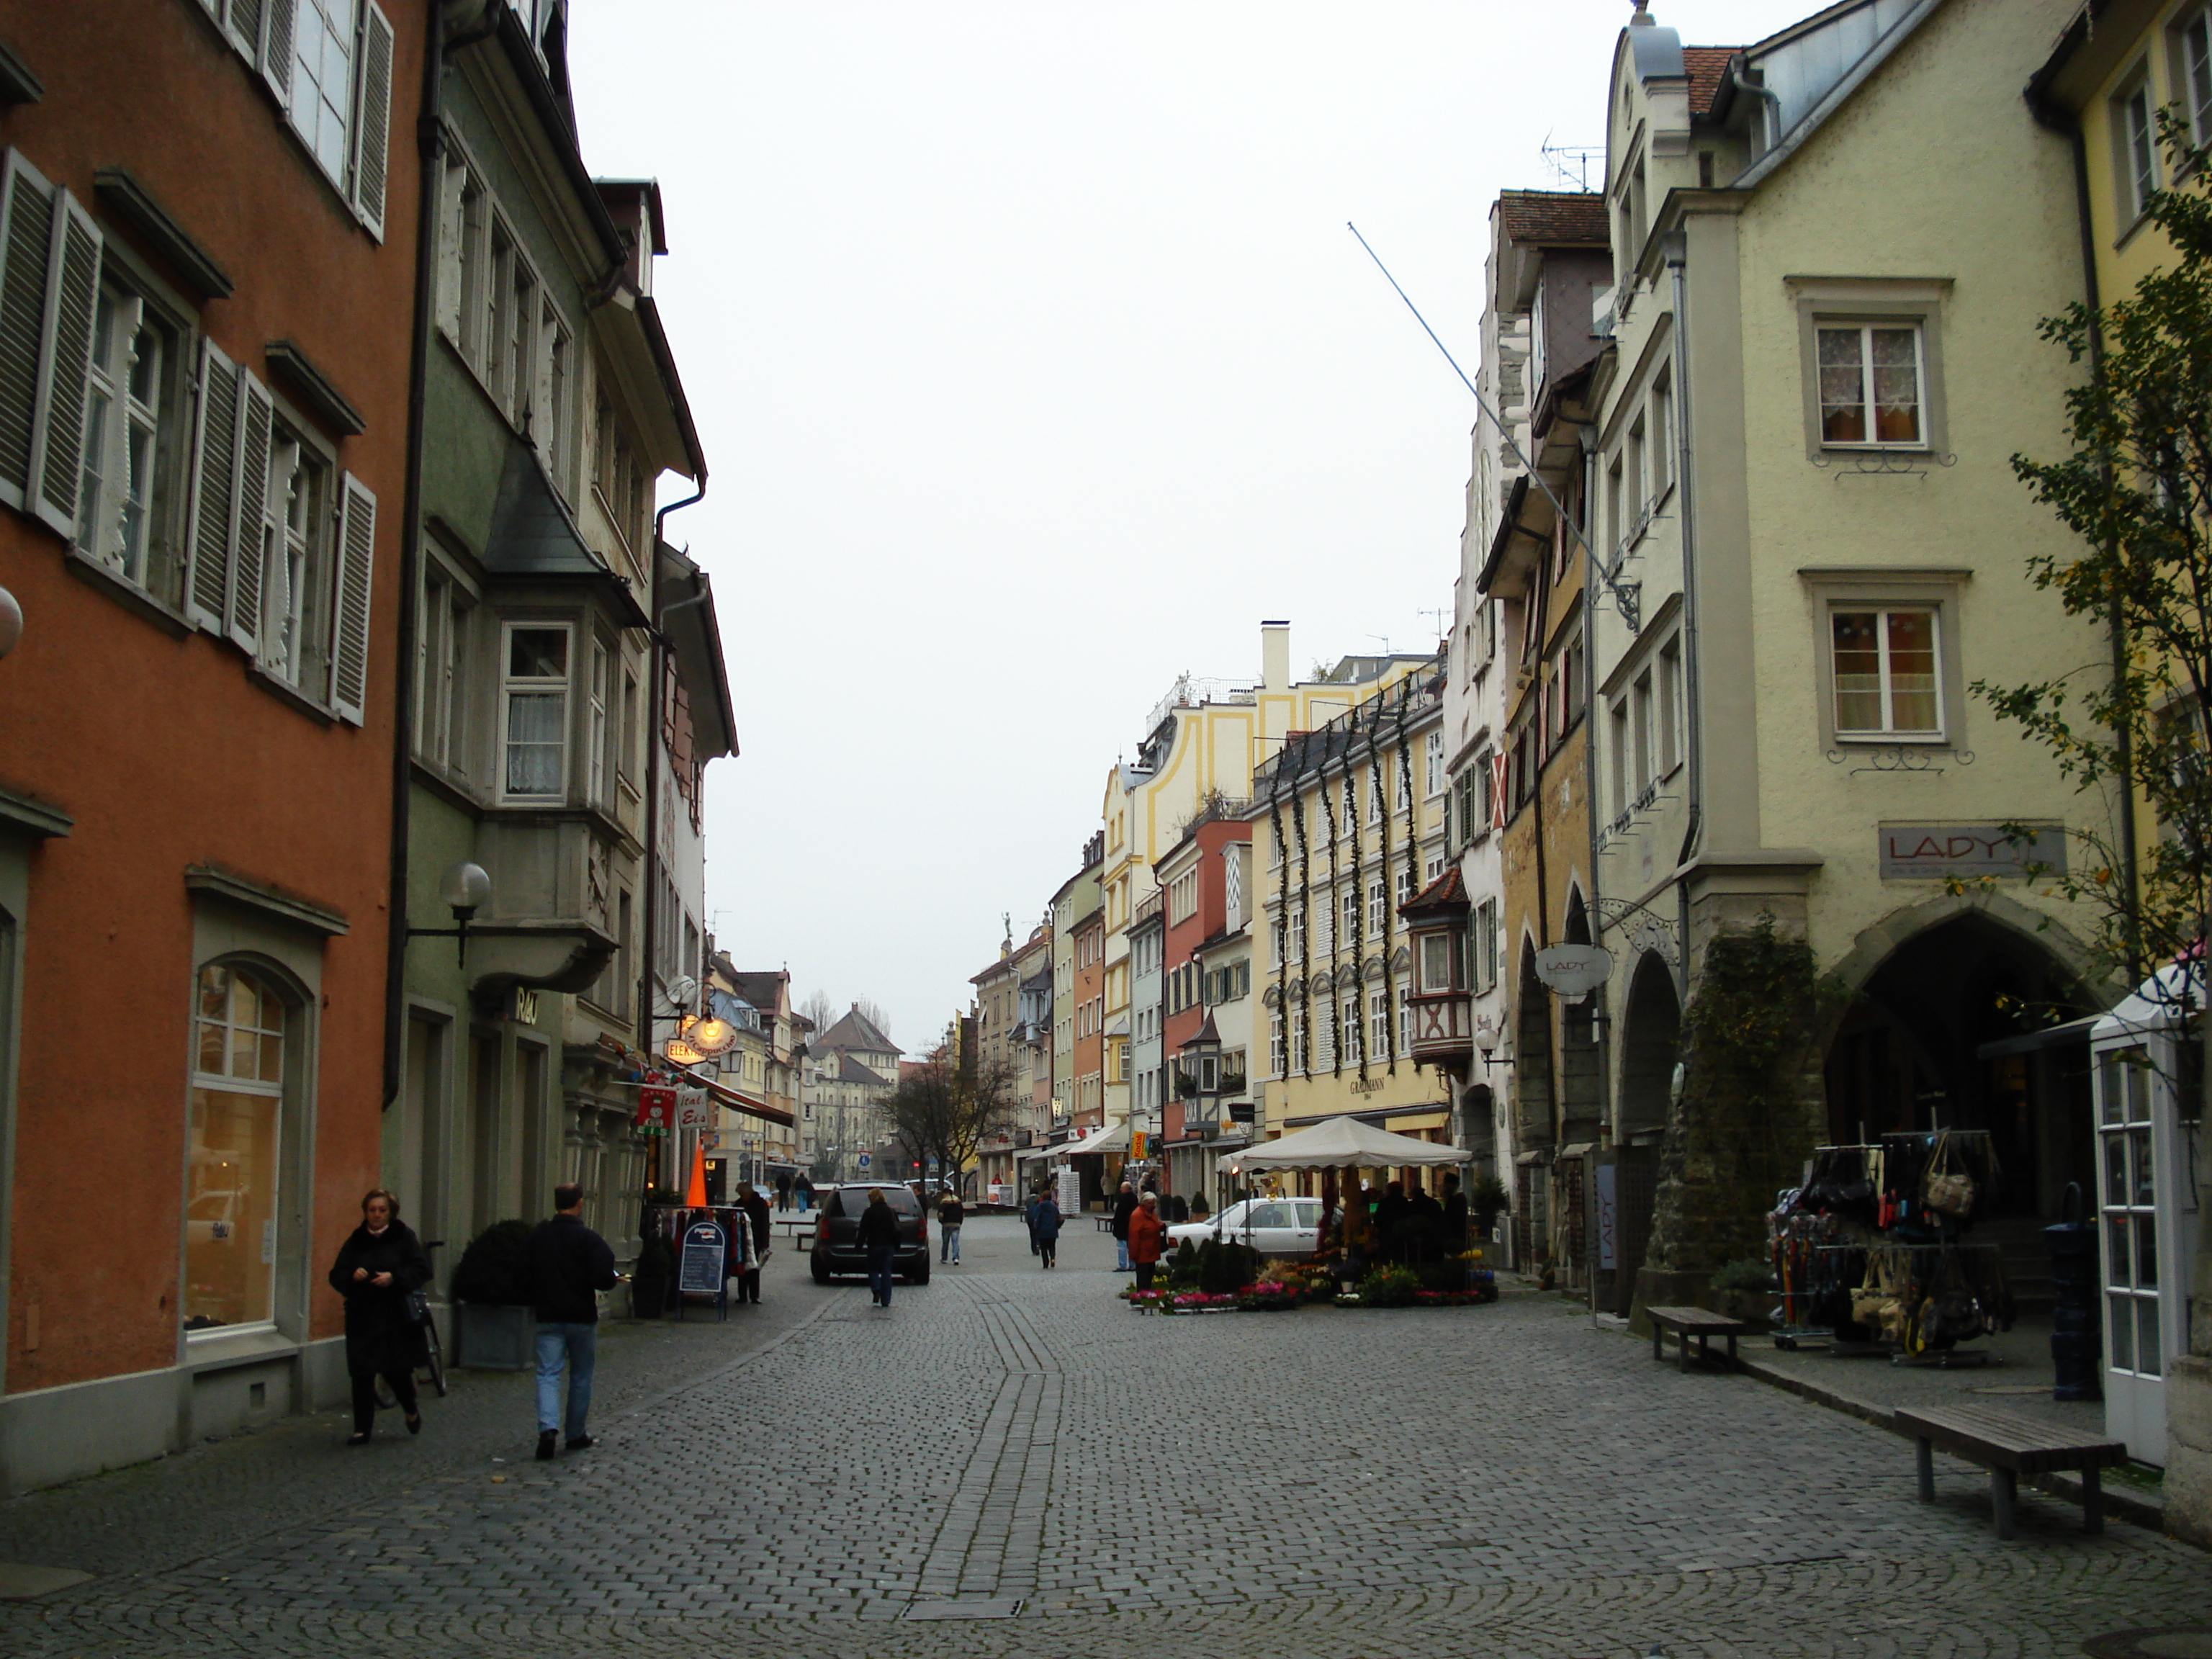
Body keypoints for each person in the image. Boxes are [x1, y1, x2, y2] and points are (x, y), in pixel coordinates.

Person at [328, 1188, 431, 1446]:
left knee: (396, 1372)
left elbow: (421, 1269)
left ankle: (410, 1408)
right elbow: (337, 1274)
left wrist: (394, 1278)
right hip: (363, 1315)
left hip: (395, 1317)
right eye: (372, 1210)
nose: (376, 1215)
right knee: (362, 1372)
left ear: (391, 1213)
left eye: (382, 1210)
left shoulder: (403, 1237)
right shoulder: (356, 1240)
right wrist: (353, 1276)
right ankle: (362, 1429)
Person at [528, 1183, 619, 1460]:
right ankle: (575, 1433)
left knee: (547, 1373)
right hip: (580, 1316)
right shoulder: (588, 1239)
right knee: (580, 1375)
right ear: (579, 1203)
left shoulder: (539, 1237)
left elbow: (522, 1271)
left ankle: (548, 1428)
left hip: (548, 1315)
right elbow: (605, 1277)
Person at [855, 1186, 901, 1307]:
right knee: (887, 1271)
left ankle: (876, 1289)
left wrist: (858, 1246)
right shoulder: (890, 1211)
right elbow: (896, 1229)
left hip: (874, 1245)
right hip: (889, 1245)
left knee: (873, 1269)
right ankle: (886, 1300)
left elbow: (863, 1231)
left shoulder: (869, 1212)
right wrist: (897, 1245)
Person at [1127, 1190, 1166, 1290]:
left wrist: (1160, 1226)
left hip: (1151, 1251)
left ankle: (1147, 1295)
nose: (1152, 1205)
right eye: (1150, 1203)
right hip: (1142, 1253)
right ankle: (1142, 1296)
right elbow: (1134, 1236)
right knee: (1143, 1277)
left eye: (1153, 1203)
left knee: (1149, 1276)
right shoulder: (1137, 1215)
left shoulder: (1151, 1213)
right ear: (1143, 1203)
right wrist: (1134, 1254)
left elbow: (1153, 1224)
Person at [739, 1184, 771, 1303]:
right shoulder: (740, 1203)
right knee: (742, 1268)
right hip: (743, 1239)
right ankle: (742, 1295)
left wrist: (765, 1243)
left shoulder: (760, 1204)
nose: (742, 1197)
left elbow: (764, 1224)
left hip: (756, 1240)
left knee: (754, 1268)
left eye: (743, 1195)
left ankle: (754, 1295)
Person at [1032, 1187, 1063, 1269]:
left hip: (1042, 1230)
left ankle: (1046, 1263)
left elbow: (1037, 1217)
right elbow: (1058, 1216)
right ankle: (1052, 1258)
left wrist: (1036, 1227)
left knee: (1044, 1248)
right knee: (1052, 1246)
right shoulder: (1054, 1207)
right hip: (1052, 1230)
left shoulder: (1039, 1207)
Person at [1110, 1181, 1138, 1272]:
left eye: (1122, 1188)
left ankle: (1122, 1265)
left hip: (1123, 1226)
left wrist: (1115, 1223)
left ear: (1126, 1189)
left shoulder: (1124, 1199)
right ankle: (1133, 1265)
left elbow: (1120, 1214)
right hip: (1132, 1226)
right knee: (1131, 1246)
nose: (1120, 1189)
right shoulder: (1134, 1198)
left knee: (1122, 1247)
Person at [1441, 1171, 1470, 1252]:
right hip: (1457, 1233)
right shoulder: (1457, 1197)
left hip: (1456, 1235)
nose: (1444, 1186)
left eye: (1446, 1184)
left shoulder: (1456, 1199)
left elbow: (1451, 1217)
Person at [938, 1190, 965, 1264]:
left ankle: (944, 1258)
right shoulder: (958, 1202)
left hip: (946, 1224)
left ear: (946, 1194)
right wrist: (960, 1222)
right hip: (956, 1224)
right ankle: (956, 1258)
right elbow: (962, 1213)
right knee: (955, 1241)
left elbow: (941, 1215)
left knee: (945, 1242)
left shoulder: (944, 1203)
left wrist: (942, 1222)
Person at [1024, 1186, 1043, 1256]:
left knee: (1032, 1233)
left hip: (1029, 1218)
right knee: (1038, 1232)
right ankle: (1038, 1245)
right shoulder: (1039, 1198)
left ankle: (1034, 1248)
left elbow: (1027, 1206)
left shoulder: (1027, 1199)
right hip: (1037, 1217)